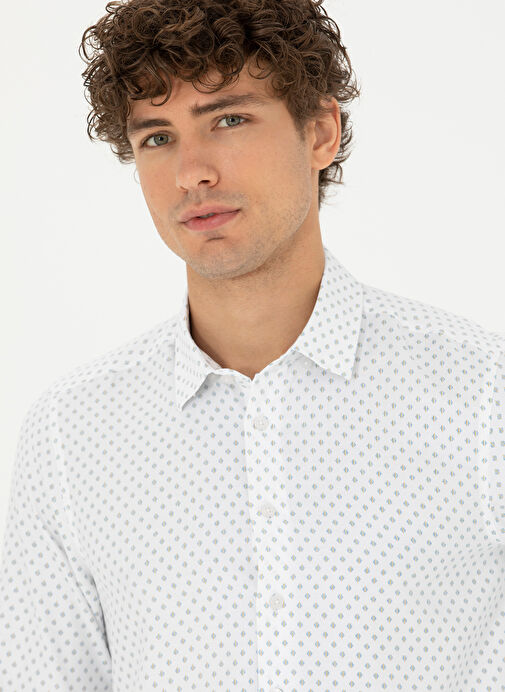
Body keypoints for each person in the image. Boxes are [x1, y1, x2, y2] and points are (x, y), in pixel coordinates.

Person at [1, 0, 504, 689]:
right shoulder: (71, 433)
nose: (192, 172)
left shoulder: (482, 395)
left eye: (228, 120)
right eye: (157, 137)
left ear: (320, 132)